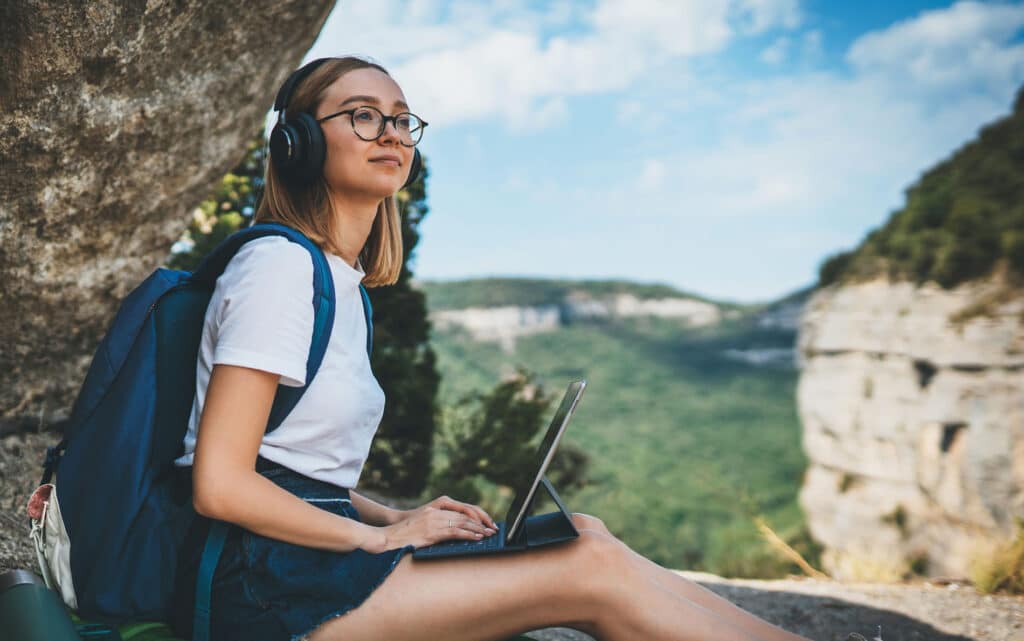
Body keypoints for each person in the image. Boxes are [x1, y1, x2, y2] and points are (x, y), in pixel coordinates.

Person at [170, 55, 816, 641]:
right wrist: (380, 535)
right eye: (363, 116)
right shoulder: (278, 268)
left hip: (305, 564)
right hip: (260, 591)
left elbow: (297, 471)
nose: (392, 134)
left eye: (400, 119)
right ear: (300, 142)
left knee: (584, 532)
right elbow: (221, 485)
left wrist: (399, 512)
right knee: (587, 569)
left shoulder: (339, 282)